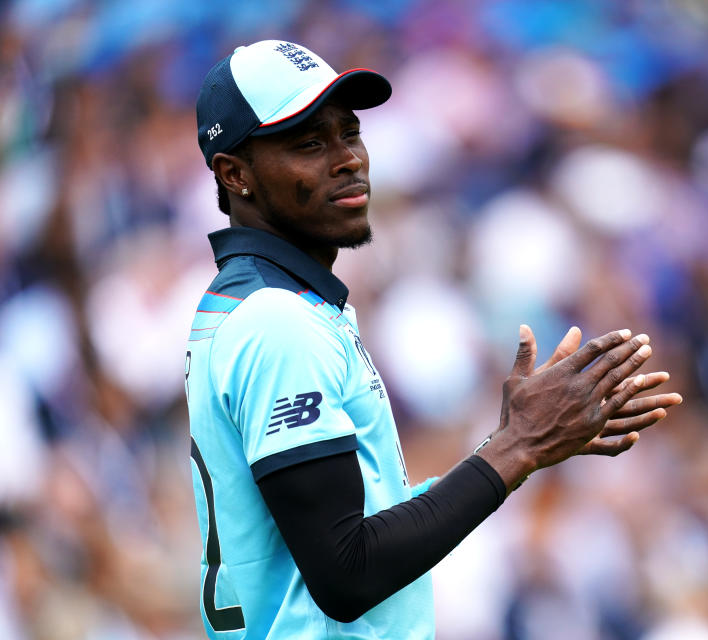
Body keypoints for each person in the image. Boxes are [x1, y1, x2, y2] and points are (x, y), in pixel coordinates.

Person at [185, 39, 682, 639]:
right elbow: (346, 573)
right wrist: (517, 447)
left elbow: (359, 522)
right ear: (234, 174)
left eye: (350, 132)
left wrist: (510, 445)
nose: (348, 159)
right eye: (310, 143)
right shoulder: (277, 321)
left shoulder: (260, 304)